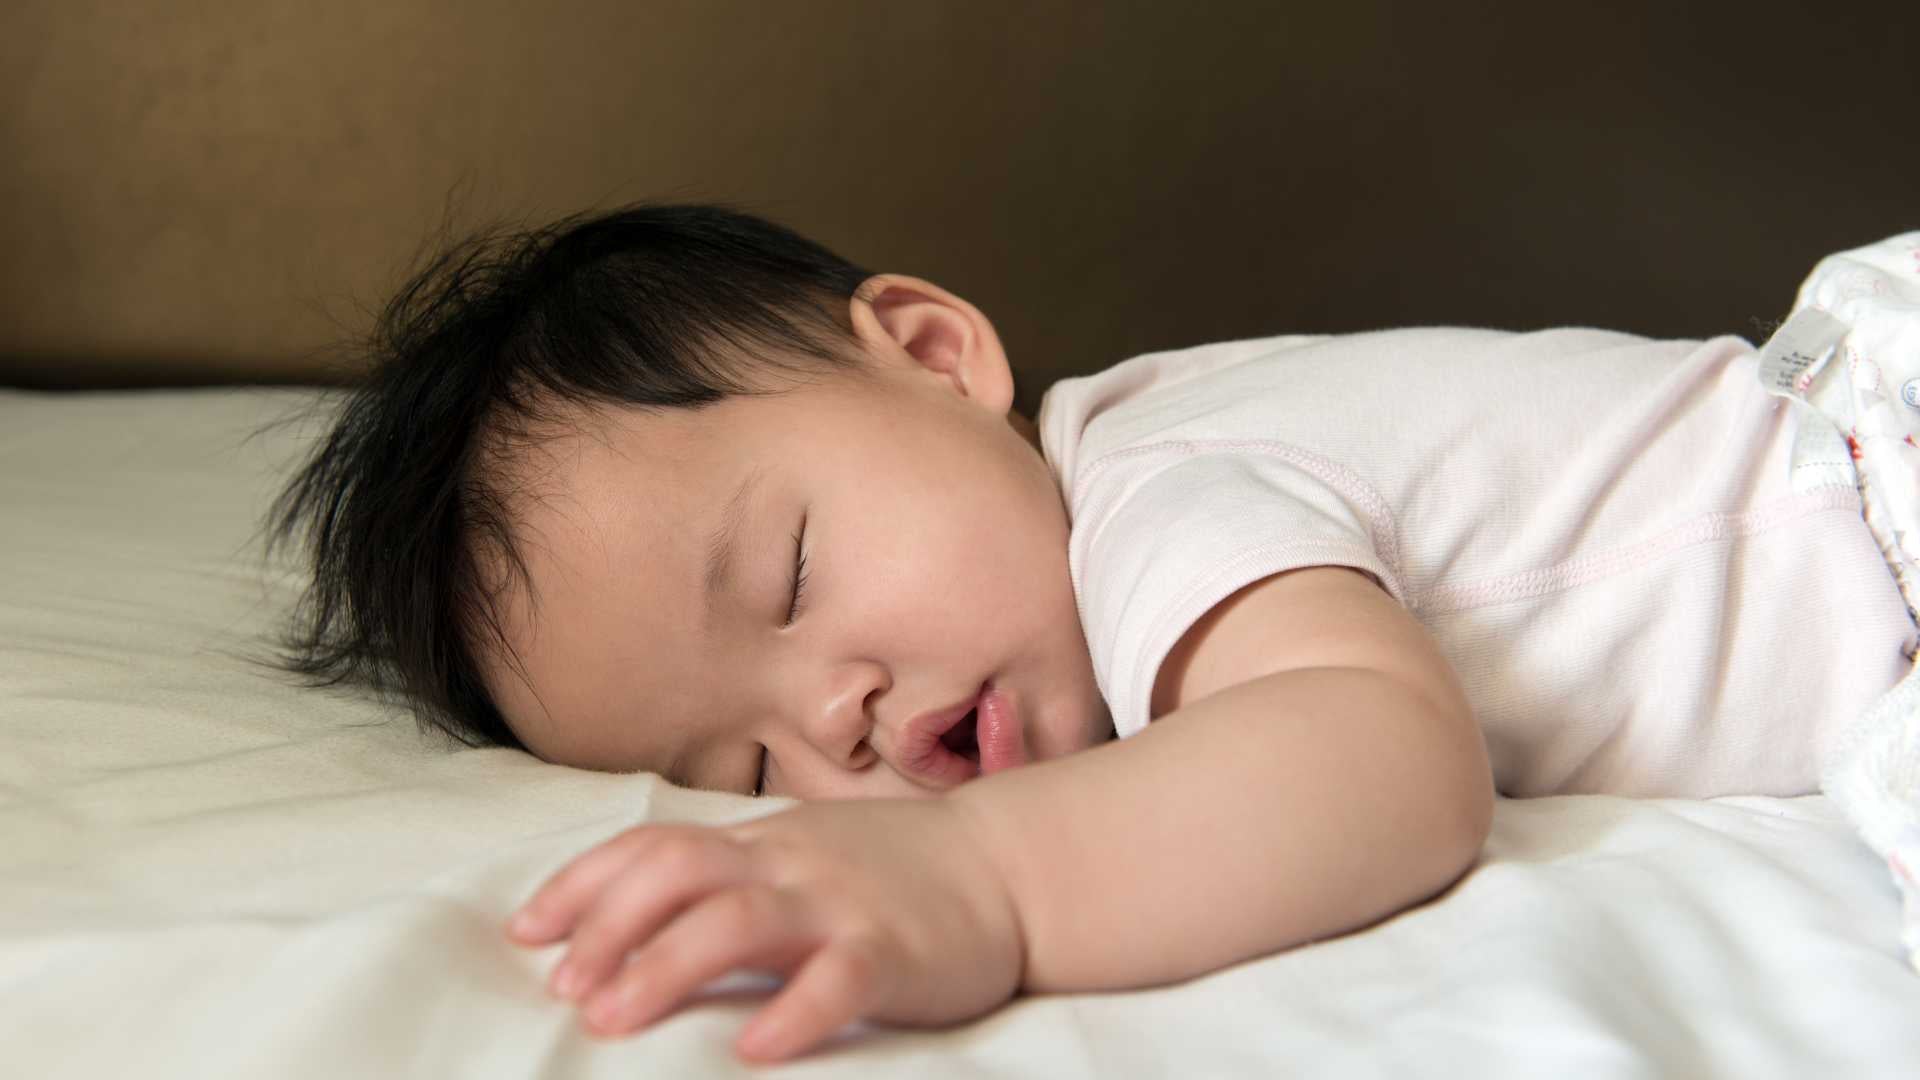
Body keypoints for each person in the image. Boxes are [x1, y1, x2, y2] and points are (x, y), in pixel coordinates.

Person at [269, 203, 1920, 1063]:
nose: (826, 723)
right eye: (738, 763)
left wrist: (983, 881)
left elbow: (1372, 752)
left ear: (930, 353)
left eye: (786, 580)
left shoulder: (1158, 490)